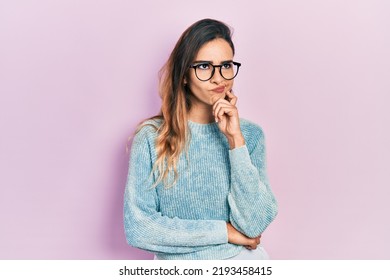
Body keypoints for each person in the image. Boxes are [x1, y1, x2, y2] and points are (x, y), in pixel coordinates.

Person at [123, 18, 278, 260]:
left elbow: (254, 224)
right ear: (184, 75)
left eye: (226, 65)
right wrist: (223, 232)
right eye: (205, 67)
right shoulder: (152, 138)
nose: (219, 78)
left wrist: (235, 141)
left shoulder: (250, 135)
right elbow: (139, 228)